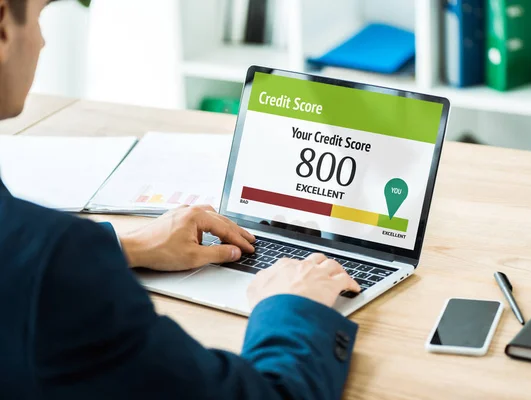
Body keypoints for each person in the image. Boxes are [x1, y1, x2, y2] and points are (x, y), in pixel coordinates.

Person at [0, 0, 362, 399]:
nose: (42, 40)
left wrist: (127, 246)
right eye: (39, 17)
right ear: (2, 25)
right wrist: (293, 306)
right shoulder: (60, 263)